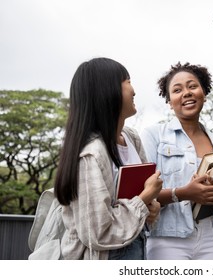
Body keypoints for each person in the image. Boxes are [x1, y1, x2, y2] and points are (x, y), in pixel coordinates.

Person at [54, 57, 162, 260]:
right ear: (108, 90)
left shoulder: (132, 138)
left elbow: (143, 198)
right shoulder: (90, 155)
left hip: (137, 245)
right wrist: (145, 198)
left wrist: (151, 207)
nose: (134, 90)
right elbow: (97, 233)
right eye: (128, 81)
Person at [140, 62, 213, 260]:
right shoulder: (153, 136)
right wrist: (182, 193)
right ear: (169, 101)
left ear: (204, 93)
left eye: (192, 86)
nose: (187, 93)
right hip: (167, 238)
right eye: (177, 90)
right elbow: (142, 193)